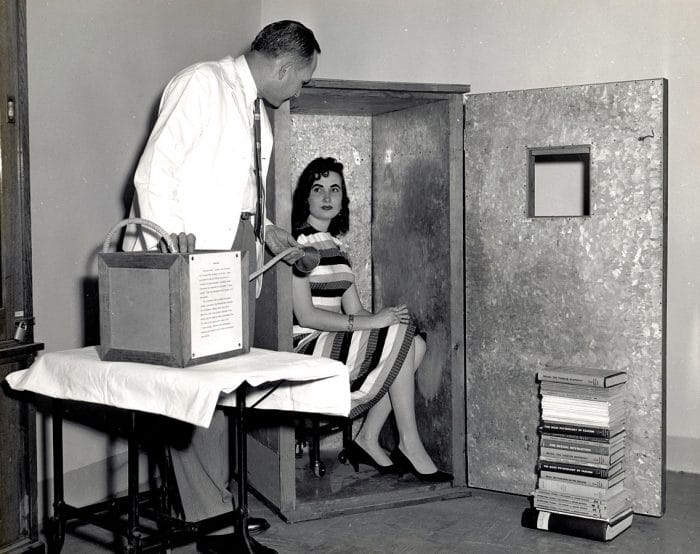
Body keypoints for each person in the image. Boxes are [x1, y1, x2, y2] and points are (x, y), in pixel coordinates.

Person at [122, 21, 321, 526]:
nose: (299, 89)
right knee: (195, 388)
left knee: (220, 387)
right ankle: (208, 511)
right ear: (283, 67)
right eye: (302, 80)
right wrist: (170, 250)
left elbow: (235, 198)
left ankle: (214, 502)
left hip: (234, 256)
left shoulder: (258, 113)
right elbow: (155, 173)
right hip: (188, 257)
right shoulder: (201, 83)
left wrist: (272, 233)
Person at [291, 157, 452, 483]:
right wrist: (375, 324)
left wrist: (388, 317)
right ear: (305, 198)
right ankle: (409, 442)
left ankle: (368, 437)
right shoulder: (297, 245)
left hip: (334, 339)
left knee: (414, 343)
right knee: (400, 336)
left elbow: (356, 310)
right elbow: (306, 316)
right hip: (305, 346)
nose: (326, 197)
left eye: (334, 189)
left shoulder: (336, 248)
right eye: (317, 189)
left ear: (342, 199)